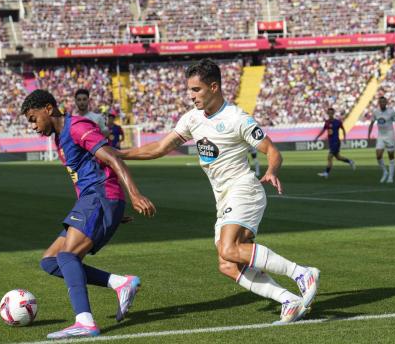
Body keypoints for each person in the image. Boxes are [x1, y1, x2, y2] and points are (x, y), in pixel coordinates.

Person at [119, 59, 320, 324]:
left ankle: (302, 273)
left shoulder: (237, 118)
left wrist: (271, 170)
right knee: (228, 264)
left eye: (196, 90)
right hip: (223, 197)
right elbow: (159, 148)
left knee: (229, 248)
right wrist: (119, 154)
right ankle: (289, 300)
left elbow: (272, 151)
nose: (191, 96)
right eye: (189, 90)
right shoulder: (191, 119)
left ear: (214, 87)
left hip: (244, 189)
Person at [21, 89, 156, 339]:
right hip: (94, 201)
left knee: (68, 255)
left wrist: (132, 196)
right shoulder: (60, 139)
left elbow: (113, 157)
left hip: (100, 197)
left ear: (48, 109)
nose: (33, 126)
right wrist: (113, 210)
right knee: (50, 261)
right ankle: (119, 283)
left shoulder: (77, 127)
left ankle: (84, 321)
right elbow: (82, 178)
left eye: (33, 118)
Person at [367, 96, 395, 183]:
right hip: (381, 135)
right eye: (380, 102)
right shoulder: (376, 112)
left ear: (386, 103)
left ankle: (390, 177)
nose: (382, 103)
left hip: (390, 135)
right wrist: (368, 135)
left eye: (383, 102)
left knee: (391, 156)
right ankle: (385, 172)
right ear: (379, 103)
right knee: (378, 155)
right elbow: (371, 123)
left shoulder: (391, 112)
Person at [314, 108, 356, 178]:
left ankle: (326, 173)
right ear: (328, 113)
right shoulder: (327, 122)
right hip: (331, 142)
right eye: (329, 113)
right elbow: (323, 130)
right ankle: (350, 161)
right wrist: (317, 137)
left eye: (331, 113)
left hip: (336, 142)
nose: (330, 114)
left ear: (333, 113)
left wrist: (344, 138)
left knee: (329, 157)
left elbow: (343, 129)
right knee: (338, 157)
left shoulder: (338, 122)